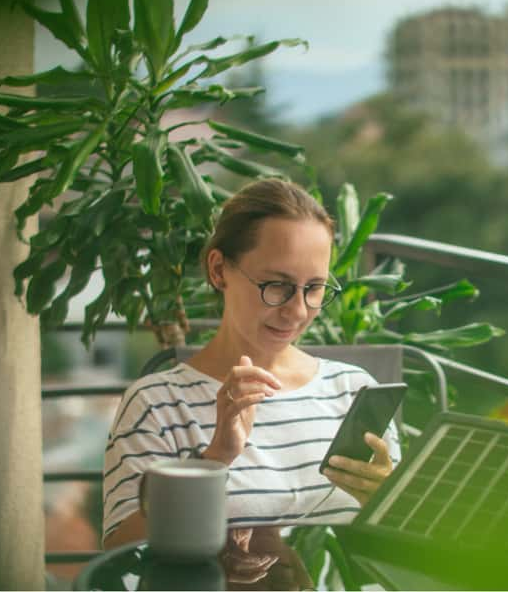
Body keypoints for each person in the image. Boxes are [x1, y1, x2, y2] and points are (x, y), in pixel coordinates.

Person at [102, 179, 400, 548]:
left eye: (315, 287)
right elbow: (121, 551)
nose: (297, 310)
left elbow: (401, 549)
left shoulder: (355, 390)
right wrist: (215, 460)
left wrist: (390, 505)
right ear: (218, 270)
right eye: (277, 284)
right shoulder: (157, 403)